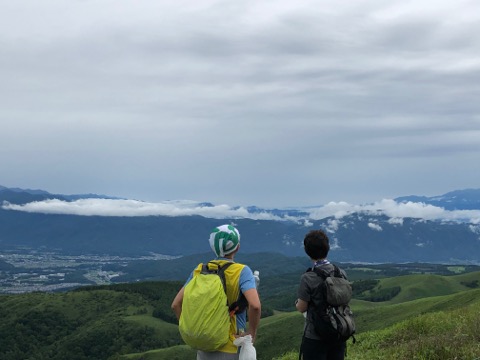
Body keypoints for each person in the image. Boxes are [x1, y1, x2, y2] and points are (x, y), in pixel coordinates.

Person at [171, 224, 261, 360]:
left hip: (203, 348)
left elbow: (176, 305)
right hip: (231, 345)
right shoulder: (242, 271)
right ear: (237, 247)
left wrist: (194, 330)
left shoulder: (200, 270)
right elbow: (255, 305)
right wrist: (252, 334)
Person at [295, 229, 347, 360]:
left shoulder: (308, 277)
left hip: (315, 335)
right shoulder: (340, 273)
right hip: (339, 331)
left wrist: (297, 303)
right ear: (327, 248)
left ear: (307, 252)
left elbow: (302, 307)